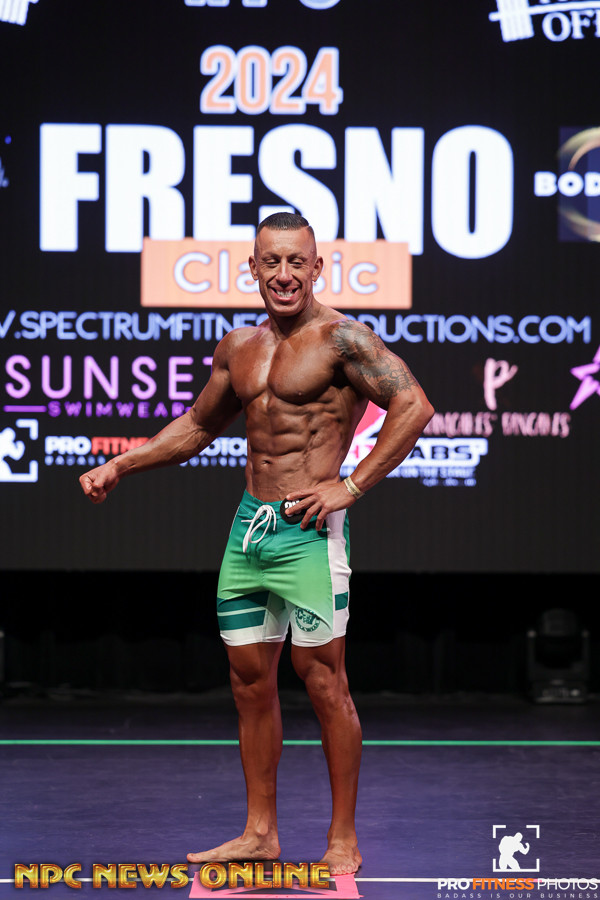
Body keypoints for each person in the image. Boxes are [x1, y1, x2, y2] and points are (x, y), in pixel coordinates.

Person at [79, 212, 434, 875]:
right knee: (248, 684)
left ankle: (343, 838)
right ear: (253, 269)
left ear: (317, 267)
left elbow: (413, 406)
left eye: (297, 262)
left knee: (324, 682)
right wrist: (121, 464)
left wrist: (351, 486)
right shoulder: (240, 346)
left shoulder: (344, 339)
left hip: (309, 533)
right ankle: (259, 832)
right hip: (249, 531)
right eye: (272, 262)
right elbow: (196, 426)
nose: (284, 274)